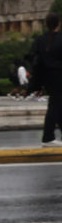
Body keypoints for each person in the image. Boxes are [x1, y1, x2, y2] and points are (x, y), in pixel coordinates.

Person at [33, 13, 62, 145]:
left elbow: (36, 62)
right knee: (55, 106)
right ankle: (48, 137)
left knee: (57, 105)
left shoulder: (40, 40)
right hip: (59, 76)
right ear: (59, 24)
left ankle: (48, 136)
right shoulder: (60, 39)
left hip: (47, 77)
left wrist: (36, 84)